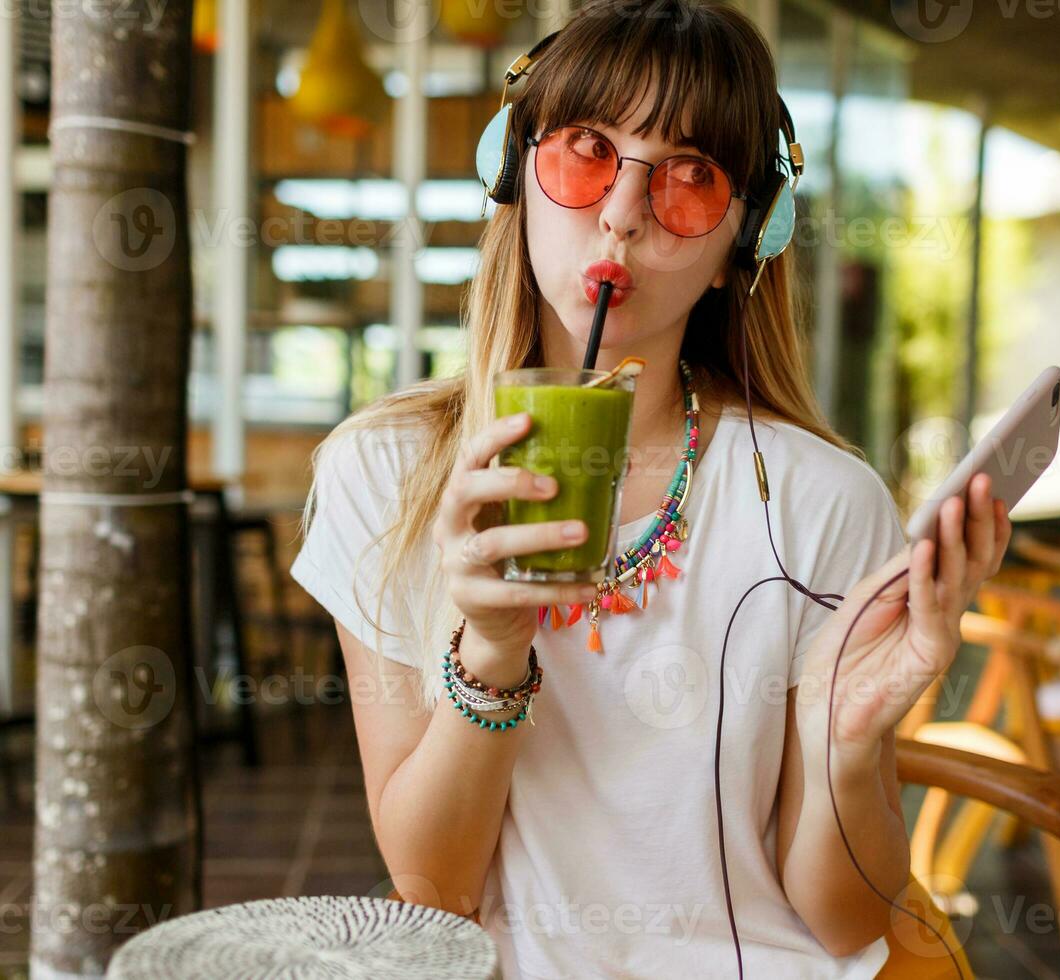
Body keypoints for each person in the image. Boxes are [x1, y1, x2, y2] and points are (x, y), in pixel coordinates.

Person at [290, 0, 1010, 976]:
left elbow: (846, 924)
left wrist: (845, 744)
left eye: (690, 177)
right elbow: (436, 887)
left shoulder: (824, 501)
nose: (624, 212)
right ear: (517, 179)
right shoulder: (385, 474)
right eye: (587, 150)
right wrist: (493, 648)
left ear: (740, 243)